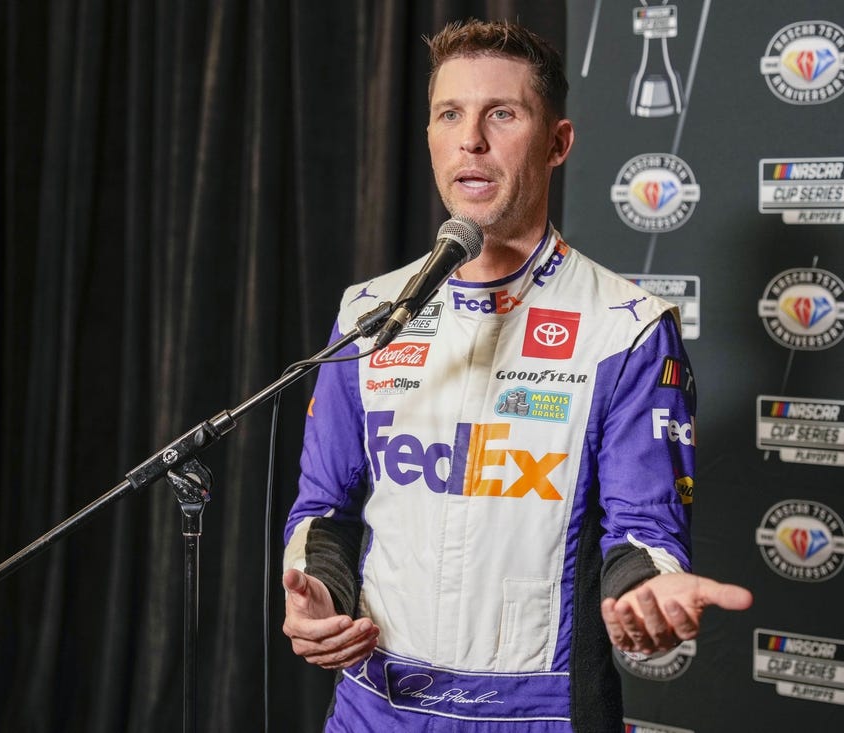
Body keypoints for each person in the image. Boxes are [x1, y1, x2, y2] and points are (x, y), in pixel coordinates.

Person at [281, 18, 752, 732]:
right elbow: (326, 508)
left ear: (557, 142)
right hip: (377, 706)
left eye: (502, 113)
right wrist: (315, 591)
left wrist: (652, 588)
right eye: (449, 114)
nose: (471, 138)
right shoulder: (371, 313)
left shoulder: (625, 327)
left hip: (541, 712)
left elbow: (641, 532)